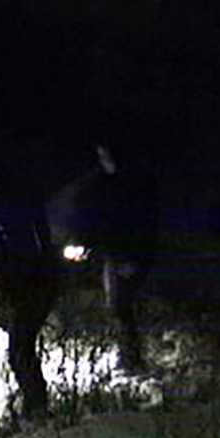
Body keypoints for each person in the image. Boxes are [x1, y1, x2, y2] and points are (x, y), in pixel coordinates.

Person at [86, 143, 160, 373]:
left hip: (127, 255)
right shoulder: (106, 183)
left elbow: (140, 225)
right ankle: (128, 356)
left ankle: (132, 359)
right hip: (114, 254)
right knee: (117, 307)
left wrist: (132, 258)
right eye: (100, 155)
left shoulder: (129, 187)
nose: (103, 160)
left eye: (105, 155)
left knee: (122, 307)